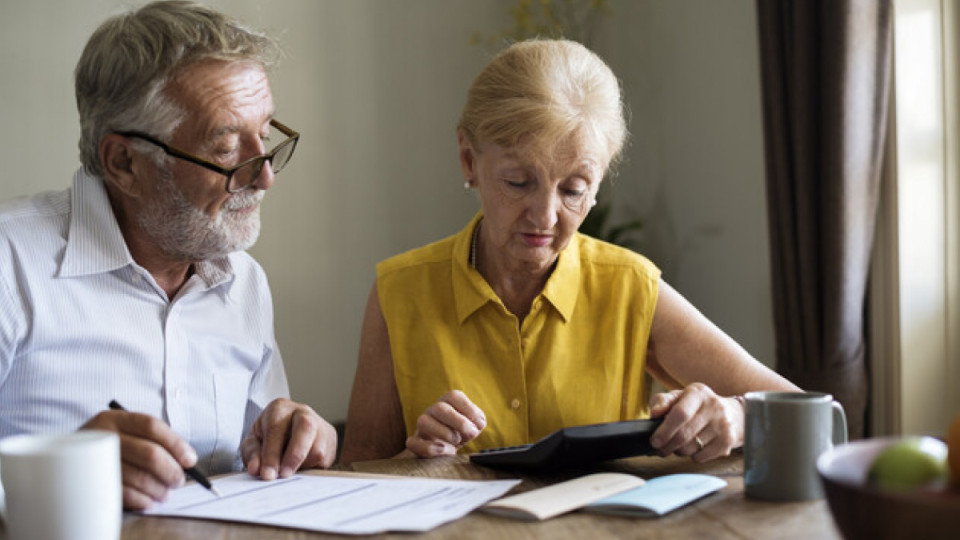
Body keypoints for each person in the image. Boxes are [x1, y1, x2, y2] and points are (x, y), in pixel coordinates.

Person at [340, 39, 800, 465]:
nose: (544, 217)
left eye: (574, 190)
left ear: (598, 184)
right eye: (518, 183)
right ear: (468, 159)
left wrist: (739, 417)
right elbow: (354, 479)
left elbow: (813, 417)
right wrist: (413, 462)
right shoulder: (399, 292)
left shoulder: (629, 289)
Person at [0, 1, 336, 509]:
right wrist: (65, 476)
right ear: (124, 163)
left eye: (264, 137)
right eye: (226, 149)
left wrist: (300, 441)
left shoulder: (242, 280)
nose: (263, 175)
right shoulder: (10, 264)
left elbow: (262, 463)